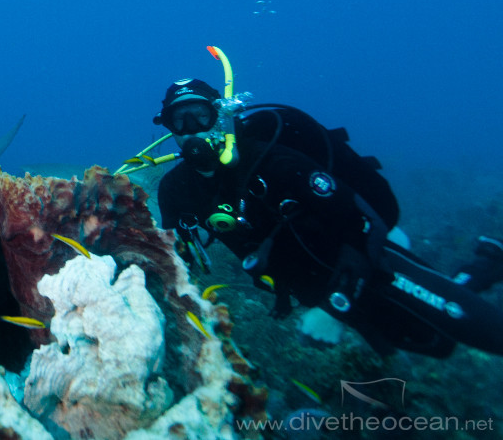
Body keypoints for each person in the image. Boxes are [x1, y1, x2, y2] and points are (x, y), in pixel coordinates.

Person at [153, 78, 503, 357]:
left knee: (467, 325)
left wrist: (338, 303)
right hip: (312, 289)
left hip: (372, 266)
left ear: (222, 115)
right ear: (169, 128)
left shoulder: (275, 162)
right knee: (432, 343)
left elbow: (362, 223)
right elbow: (172, 254)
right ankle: (486, 264)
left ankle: (479, 266)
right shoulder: (174, 189)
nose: (192, 128)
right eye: (179, 120)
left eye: (200, 115)